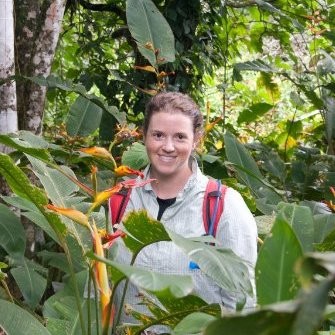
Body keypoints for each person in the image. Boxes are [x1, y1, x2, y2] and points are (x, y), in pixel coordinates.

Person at [111, 91, 258, 334]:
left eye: (180, 137)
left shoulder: (223, 206)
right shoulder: (120, 199)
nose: (167, 147)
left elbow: (241, 305)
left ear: (196, 140)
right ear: (144, 136)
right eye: (158, 135)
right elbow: (101, 288)